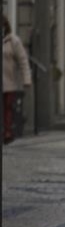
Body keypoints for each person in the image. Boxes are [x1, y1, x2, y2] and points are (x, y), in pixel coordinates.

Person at [2, 15, 31, 144]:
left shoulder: (13, 41)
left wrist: (26, 79)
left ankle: (8, 132)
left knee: (8, 107)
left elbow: (23, 61)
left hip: (9, 81)